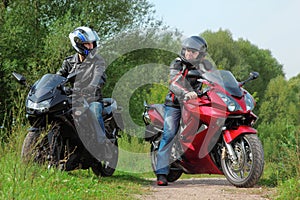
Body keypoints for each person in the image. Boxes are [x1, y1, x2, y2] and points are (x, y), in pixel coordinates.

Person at [156, 36, 211, 186]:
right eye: (188, 51)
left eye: (194, 52)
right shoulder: (177, 63)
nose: (190, 54)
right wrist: (185, 92)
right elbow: (174, 82)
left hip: (197, 103)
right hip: (175, 104)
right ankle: (161, 173)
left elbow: (214, 80)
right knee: (169, 133)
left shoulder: (204, 66)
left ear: (200, 54)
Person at [56, 26, 107, 142]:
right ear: (78, 44)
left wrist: (91, 87)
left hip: (92, 99)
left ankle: (102, 144)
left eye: (92, 44)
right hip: (73, 100)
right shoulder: (69, 62)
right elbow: (58, 77)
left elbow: (99, 77)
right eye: (87, 44)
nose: (92, 47)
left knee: (94, 111)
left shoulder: (98, 61)